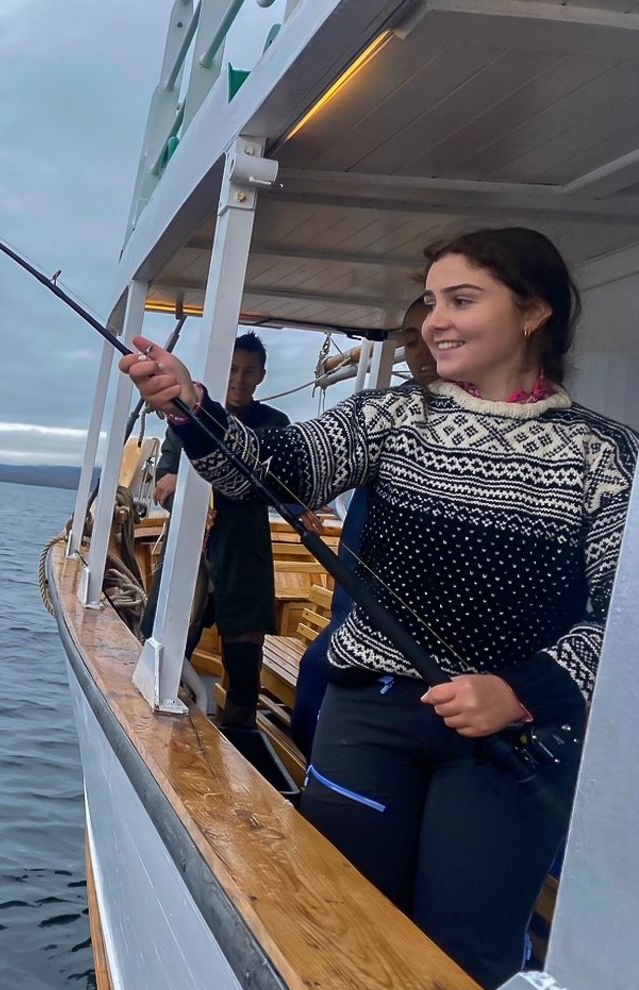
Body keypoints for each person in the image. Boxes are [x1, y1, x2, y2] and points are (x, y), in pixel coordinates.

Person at [117, 227, 637, 987]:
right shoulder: (393, 416)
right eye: (431, 303)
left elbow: (618, 618)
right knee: (334, 926)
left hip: (512, 744)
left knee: (467, 958)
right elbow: (270, 469)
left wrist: (521, 694)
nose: (436, 321)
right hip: (374, 719)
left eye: (463, 300)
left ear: (534, 313)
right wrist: (190, 406)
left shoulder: (607, 455)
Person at [290, 298, 439, 757]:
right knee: (316, 682)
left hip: (418, 659)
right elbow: (293, 458)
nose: (421, 350)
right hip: (352, 622)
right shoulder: (384, 417)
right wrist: (192, 411)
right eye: (410, 340)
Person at [141, 332, 290, 729]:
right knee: (168, 651)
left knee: (244, 672)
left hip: (244, 561)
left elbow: (271, 485)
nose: (239, 379)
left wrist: (202, 485)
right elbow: (163, 483)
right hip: (189, 559)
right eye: (232, 369)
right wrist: (176, 492)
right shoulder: (183, 418)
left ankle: (239, 744)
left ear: (261, 376)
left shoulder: (275, 425)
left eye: (249, 371)